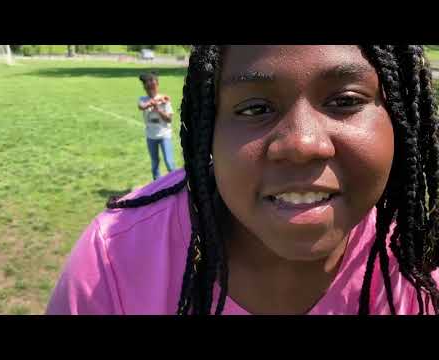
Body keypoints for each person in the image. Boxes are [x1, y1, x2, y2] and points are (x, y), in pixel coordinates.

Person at [47, 45, 439, 315]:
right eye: (255, 108)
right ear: (210, 130)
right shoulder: (112, 260)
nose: (302, 144)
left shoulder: (421, 262)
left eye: (346, 101)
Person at [138, 72, 176, 180]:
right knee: (155, 164)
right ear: (145, 88)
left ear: (157, 85)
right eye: (147, 85)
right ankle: (157, 186)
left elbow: (169, 119)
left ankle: (176, 183)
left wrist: (158, 109)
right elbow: (141, 106)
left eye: (152, 84)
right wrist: (153, 103)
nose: (150, 88)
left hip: (164, 135)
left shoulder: (164, 99)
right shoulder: (143, 99)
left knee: (169, 162)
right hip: (151, 136)